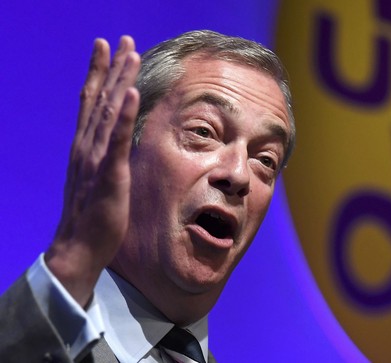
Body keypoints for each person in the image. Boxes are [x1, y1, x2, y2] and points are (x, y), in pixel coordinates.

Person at [0, 30, 295, 363]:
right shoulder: (31, 337)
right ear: (121, 144)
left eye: (265, 159)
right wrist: (68, 271)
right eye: (203, 132)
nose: (239, 174)